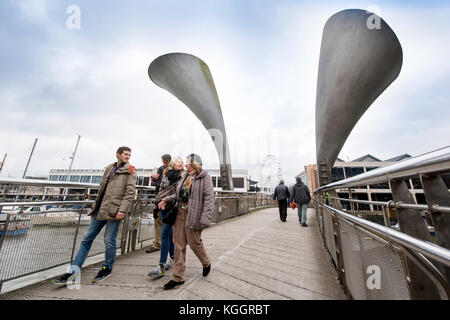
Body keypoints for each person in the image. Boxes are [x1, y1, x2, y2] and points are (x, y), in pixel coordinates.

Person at [52, 146, 137, 285]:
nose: (128, 156)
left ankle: (107, 268)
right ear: (118, 154)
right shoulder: (109, 168)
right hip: (100, 209)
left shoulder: (131, 171)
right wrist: (94, 207)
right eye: (125, 154)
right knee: (87, 239)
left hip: (114, 211)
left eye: (129, 154)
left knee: (109, 240)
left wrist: (122, 210)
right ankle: (73, 272)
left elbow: (130, 193)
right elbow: (101, 189)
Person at [159, 153, 214, 290]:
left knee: (194, 243)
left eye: (187, 163)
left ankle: (206, 263)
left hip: (194, 215)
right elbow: (178, 195)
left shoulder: (204, 177)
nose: (184, 165)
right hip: (180, 214)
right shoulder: (184, 176)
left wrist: (205, 218)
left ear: (194, 164)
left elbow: (209, 198)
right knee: (178, 244)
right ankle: (178, 277)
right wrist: (166, 199)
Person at [148, 156, 184, 277]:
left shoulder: (183, 176)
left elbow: (178, 194)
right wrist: (157, 204)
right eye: (178, 162)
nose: (181, 164)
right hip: (162, 206)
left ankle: (161, 265)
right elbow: (161, 189)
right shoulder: (166, 173)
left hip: (172, 207)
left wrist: (165, 200)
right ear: (173, 164)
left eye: (182, 162)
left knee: (164, 233)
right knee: (168, 234)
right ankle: (173, 258)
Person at [146, 154, 171, 253]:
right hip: (158, 198)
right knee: (158, 221)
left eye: (165, 162)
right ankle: (157, 243)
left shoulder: (172, 170)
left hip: (167, 200)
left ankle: (162, 244)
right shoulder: (161, 168)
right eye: (163, 162)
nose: (164, 164)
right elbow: (157, 183)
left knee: (167, 223)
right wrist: (153, 178)